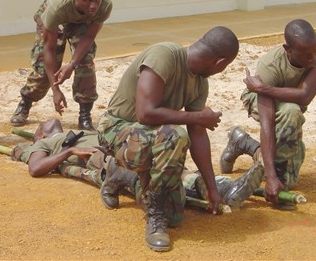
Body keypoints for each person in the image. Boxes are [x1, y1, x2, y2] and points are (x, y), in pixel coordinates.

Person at [97, 26, 240, 252]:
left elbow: (198, 133)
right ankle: (155, 218)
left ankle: (120, 174)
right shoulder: (164, 55)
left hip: (151, 139)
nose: (221, 71)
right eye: (225, 67)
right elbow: (145, 112)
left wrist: (212, 188)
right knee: (175, 135)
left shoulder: (200, 84)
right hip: (116, 130)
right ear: (220, 62)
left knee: (177, 217)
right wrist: (197, 117)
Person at [11, 119, 264, 211]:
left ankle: (220, 187)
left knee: (162, 162)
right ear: (40, 136)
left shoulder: (73, 130)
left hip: (114, 147)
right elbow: (35, 168)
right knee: (141, 173)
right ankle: (214, 188)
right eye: (42, 126)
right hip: (99, 158)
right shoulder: (43, 145)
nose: (48, 121)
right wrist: (69, 151)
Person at [219, 19, 316, 208]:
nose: (313, 58)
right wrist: (271, 178)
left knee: (291, 113)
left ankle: (244, 143)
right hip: (257, 97)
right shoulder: (269, 67)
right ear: (288, 49)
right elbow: (267, 123)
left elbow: (305, 96)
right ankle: (278, 182)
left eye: (315, 52)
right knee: (291, 112)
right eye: (306, 55)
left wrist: (264, 88)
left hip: (281, 95)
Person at [10, 0, 112, 130]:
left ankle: (85, 115)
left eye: (96, 0)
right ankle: (26, 102)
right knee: (45, 68)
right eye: (88, 0)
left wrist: (71, 65)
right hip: (56, 18)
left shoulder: (104, 6)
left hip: (82, 23)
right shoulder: (56, 8)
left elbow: (89, 36)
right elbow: (49, 49)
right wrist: (56, 90)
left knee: (85, 59)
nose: (93, 6)